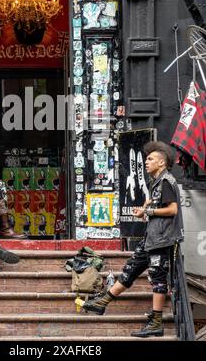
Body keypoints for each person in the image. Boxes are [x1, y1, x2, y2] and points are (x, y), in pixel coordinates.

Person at [75, 141, 184, 338]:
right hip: (151, 237)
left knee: (158, 279)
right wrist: (144, 211)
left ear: (162, 162)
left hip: (162, 239)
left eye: (150, 159)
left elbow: (173, 209)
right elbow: (154, 210)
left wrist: (148, 210)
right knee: (131, 268)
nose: (146, 162)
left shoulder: (167, 181)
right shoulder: (156, 183)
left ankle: (156, 322)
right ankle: (103, 302)